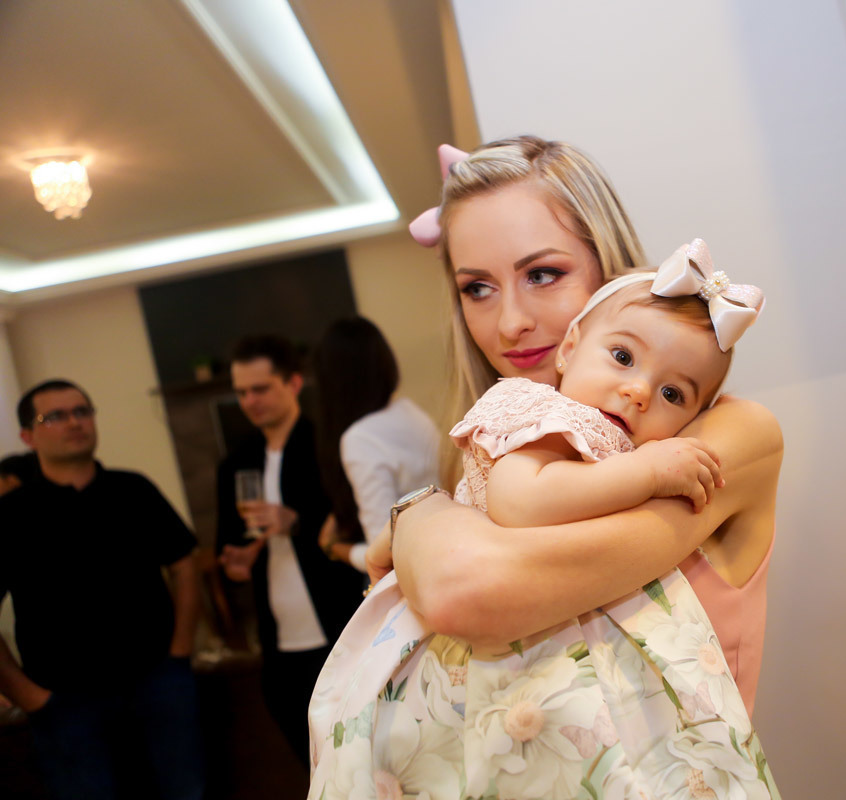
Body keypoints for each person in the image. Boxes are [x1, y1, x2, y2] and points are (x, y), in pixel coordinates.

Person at [309, 243, 777, 799]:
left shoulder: (710, 436)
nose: (639, 391)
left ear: (696, 417)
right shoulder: (547, 416)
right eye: (622, 357)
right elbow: (521, 501)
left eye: (673, 393)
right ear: (571, 347)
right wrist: (648, 473)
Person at [371, 135, 781, 714]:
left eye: (542, 274)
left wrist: (417, 516)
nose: (510, 323)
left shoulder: (730, 437)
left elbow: (465, 589)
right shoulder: (504, 439)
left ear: (606, 265)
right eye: (477, 288)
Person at [0, 379, 204, 800]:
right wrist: (29, 696)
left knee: (185, 792)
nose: (74, 422)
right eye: (55, 416)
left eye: (82, 411)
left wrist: (181, 650)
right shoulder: (11, 514)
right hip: (64, 701)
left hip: (158, 682)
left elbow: (184, 564)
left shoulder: (134, 489)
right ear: (27, 435)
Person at [215, 335, 362, 764]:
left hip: (342, 624)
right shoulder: (235, 463)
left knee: (360, 757)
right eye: (242, 392)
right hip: (279, 641)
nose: (250, 401)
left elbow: (358, 527)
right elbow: (228, 547)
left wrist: (295, 523)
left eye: (260, 388)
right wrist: (235, 563)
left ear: (294, 383)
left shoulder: (329, 446)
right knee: (310, 763)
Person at [310, 316, 439, 573]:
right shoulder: (410, 411)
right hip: (442, 544)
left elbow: (384, 551)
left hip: (417, 568)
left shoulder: (359, 438)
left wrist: (334, 547)